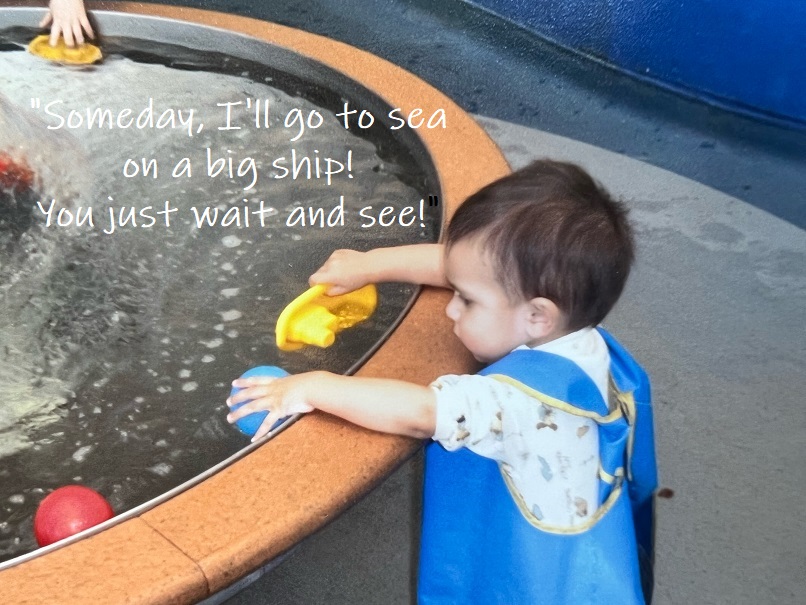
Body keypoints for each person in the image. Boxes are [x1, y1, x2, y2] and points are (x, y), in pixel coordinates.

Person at [226, 159, 658, 604]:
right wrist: (371, 265)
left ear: (536, 315)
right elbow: (465, 265)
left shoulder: (511, 403)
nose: (451, 309)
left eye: (466, 301)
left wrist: (310, 386)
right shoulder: (580, 337)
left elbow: (417, 412)